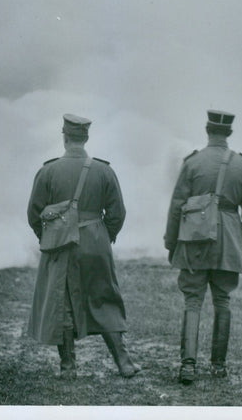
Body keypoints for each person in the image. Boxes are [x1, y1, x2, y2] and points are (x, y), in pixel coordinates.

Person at [27, 114, 140, 379]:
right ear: (86, 138)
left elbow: (34, 214)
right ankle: (124, 363)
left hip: (61, 245)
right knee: (105, 299)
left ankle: (68, 368)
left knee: (62, 302)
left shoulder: (47, 171)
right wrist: (102, 235)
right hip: (96, 242)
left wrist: (50, 236)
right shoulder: (104, 171)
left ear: (64, 137)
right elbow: (117, 213)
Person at [164, 109, 242, 384]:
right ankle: (218, 366)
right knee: (223, 300)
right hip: (229, 241)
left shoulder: (192, 163)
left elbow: (176, 206)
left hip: (193, 240)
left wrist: (172, 242)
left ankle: (188, 366)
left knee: (192, 301)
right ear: (228, 133)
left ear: (208, 131)